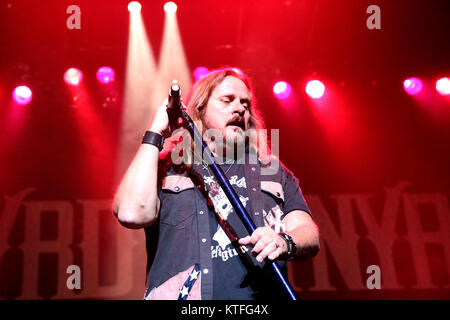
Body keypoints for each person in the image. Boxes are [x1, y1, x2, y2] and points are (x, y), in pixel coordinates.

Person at [113, 68, 320, 300]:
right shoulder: (167, 165)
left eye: (245, 103)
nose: (240, 108)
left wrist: (284, 241)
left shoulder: (271, 169)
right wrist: (155, 132)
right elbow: (131, 213)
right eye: (227, 100)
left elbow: (308, 233)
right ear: (199, 111)